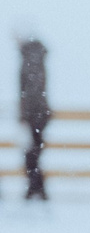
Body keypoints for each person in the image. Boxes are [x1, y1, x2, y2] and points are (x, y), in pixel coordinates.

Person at [14, 28, 47, 202]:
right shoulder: (33, 56)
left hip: (35, 115)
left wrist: (26, 115)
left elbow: (32, 91)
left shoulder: (31, 57)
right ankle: (36, 189)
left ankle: (37, 189)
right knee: (32, 154)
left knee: (31, 154)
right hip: (38, 114)